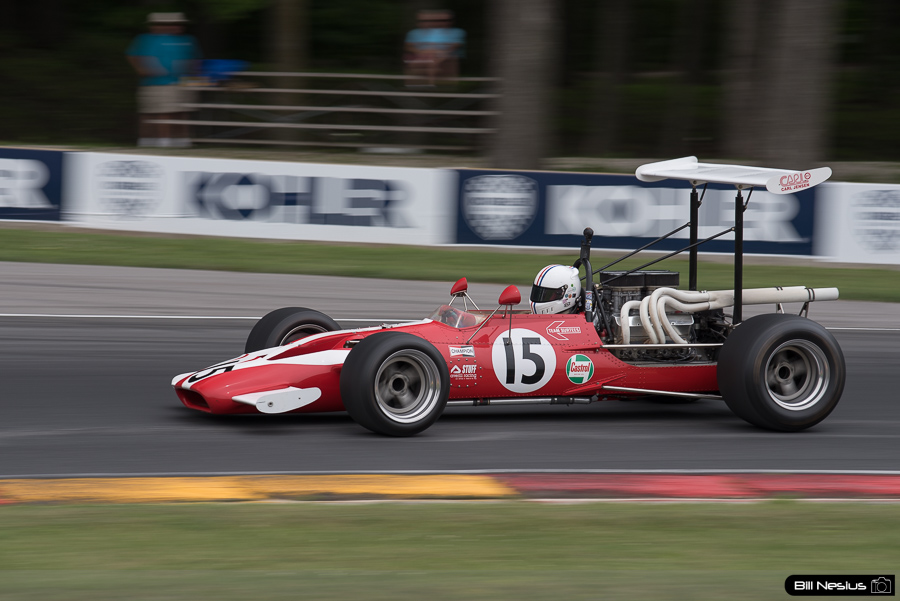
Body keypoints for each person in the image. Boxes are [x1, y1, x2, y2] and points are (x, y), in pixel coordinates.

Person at [127, 12, 201, 148]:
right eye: (174, 24)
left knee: (182, 112)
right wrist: (143, 69)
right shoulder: (145, 39)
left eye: (179, 24)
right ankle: (160, 141)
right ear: (159, 25)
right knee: (159, 112)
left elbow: (196, 59)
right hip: (156, 83)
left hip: (184, 82)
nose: (178, 27)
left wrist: (194, 71)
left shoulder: (188, 39)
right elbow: (133, 56)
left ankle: (182, 141)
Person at [404, 10, 466, 86]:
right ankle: (423, 84)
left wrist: (441, 51)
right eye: (422, 21)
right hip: (428, 55)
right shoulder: (417, 32)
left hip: (445, 56)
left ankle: (429, 84)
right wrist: (422, 52)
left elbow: (455, 45)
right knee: (428, 59)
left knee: (432, 59)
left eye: (445, 20)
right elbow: (429, 46)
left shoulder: (457, 31)